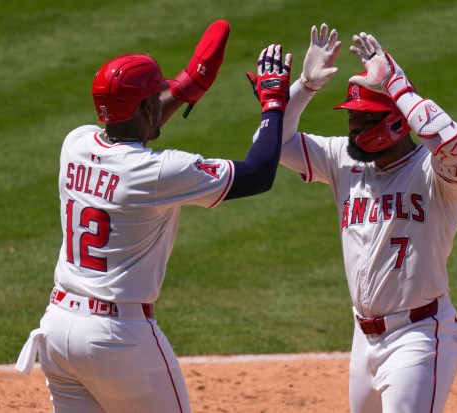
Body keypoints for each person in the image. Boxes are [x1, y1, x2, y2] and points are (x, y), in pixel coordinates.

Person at [15, 19, 293, 413]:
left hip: (58, 330)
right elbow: (259, 174)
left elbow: (130, 126)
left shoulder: (74, 143)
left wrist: (184, 89)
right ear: (146, 106)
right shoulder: (159, 173)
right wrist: (273, 103)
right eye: (156, 96)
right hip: (118, 340)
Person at [274, 24, 457, 412]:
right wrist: (303, 87)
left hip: (418, 336)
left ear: (398, 122)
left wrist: (399, 88)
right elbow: (272, 146)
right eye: (352, 117)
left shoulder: (436, 176)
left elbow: (454, 144)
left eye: (365, 120)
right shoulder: (342, 160)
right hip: (362, 337)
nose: (353, 127)